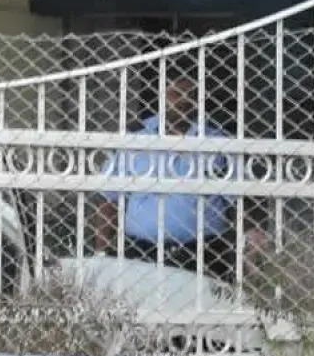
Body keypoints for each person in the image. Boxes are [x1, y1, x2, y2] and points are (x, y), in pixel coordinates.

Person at [91, 72, 267, 284]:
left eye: (191, 95)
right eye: (176, 94)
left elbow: (240, 199)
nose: (184, 101)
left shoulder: (217, 142)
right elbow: (109, 199)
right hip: (140, 251)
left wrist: (252, 236)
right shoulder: (135, 137)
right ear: (162, 96)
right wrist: (101, 253)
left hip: (203, 253)